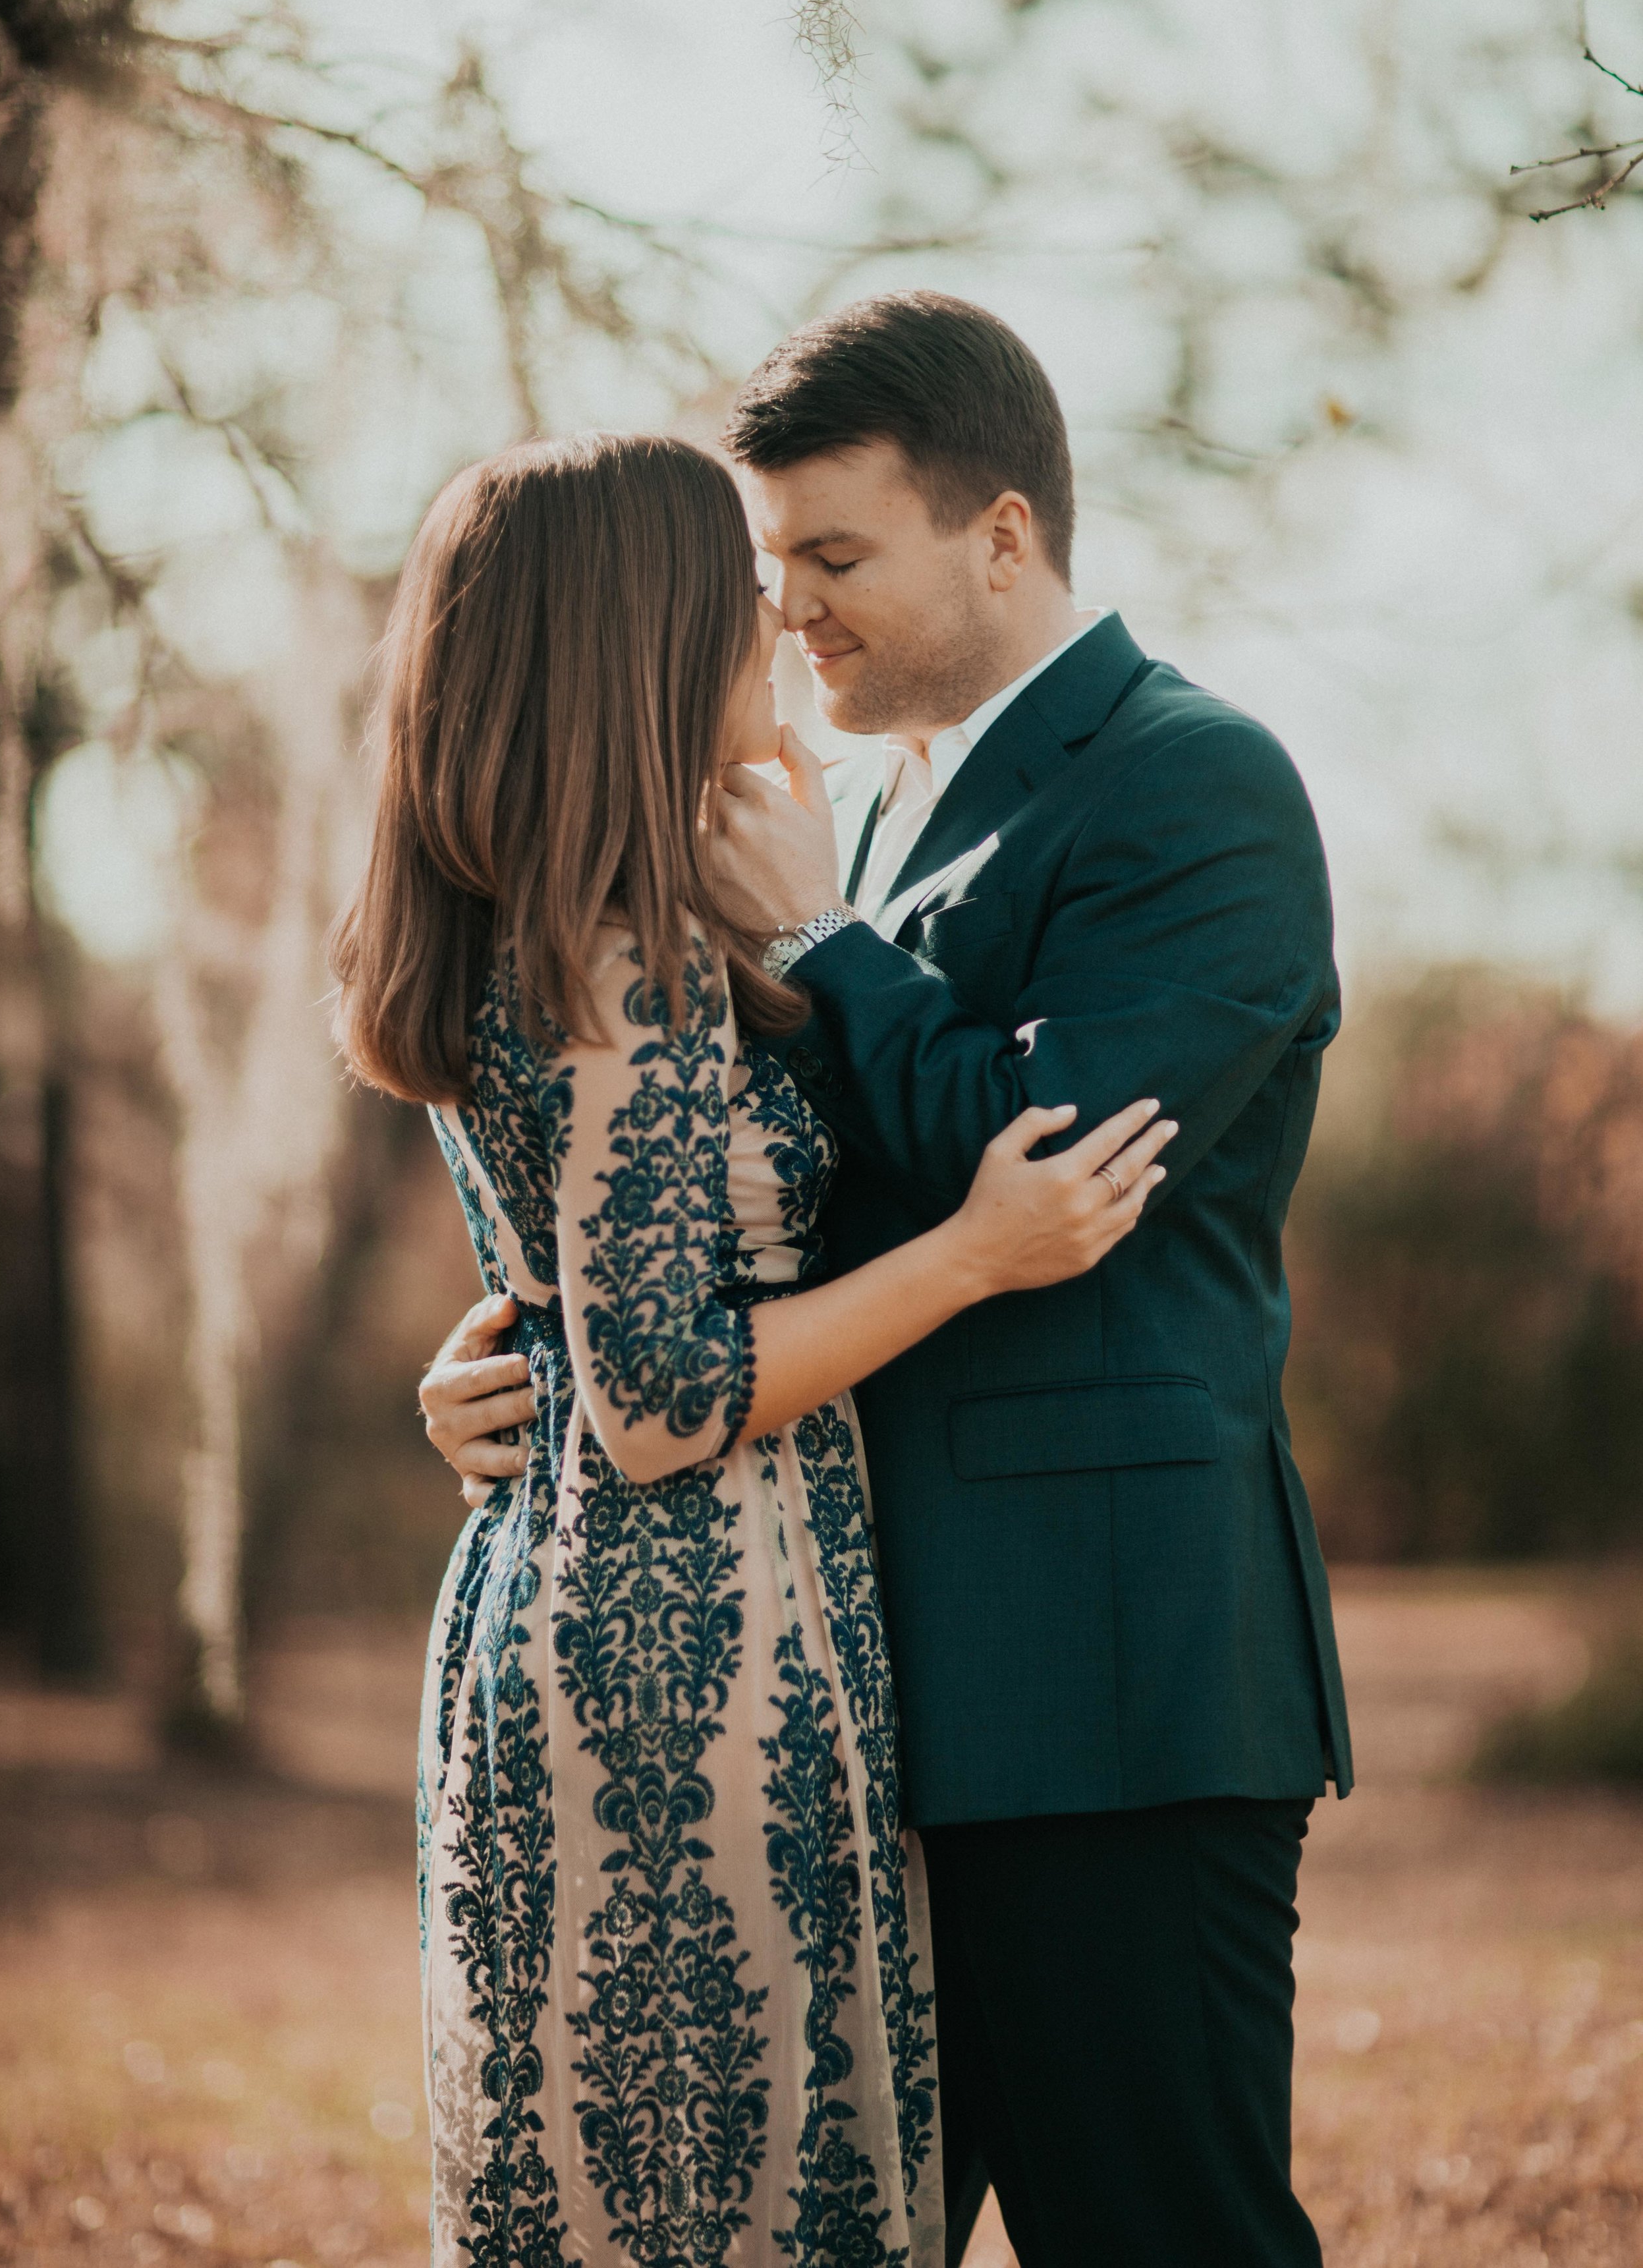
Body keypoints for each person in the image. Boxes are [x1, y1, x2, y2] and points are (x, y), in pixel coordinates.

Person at [425, 297, 1354, 2268]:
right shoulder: (867, 809)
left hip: (1103, 1686)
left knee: (1158, 2229)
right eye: (774, 571)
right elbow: (733, 1193)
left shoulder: (1195, 784)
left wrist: (830, 940)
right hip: (835, 1688)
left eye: (834, 559)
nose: (794, 615)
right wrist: (535, 1342)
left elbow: (1044, 1166)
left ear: (1000, 535)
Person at [330, 428, 1171, 2268]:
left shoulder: (538, 924)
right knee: (733, 2206)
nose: (779, 625)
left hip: (588, 1605)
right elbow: (658, 1403)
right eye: (740, 593)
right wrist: (972, 1251)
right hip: (685, 1645)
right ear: (644, 634)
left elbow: (584, 1310)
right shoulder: (622, 953)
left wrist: (508, 1369)